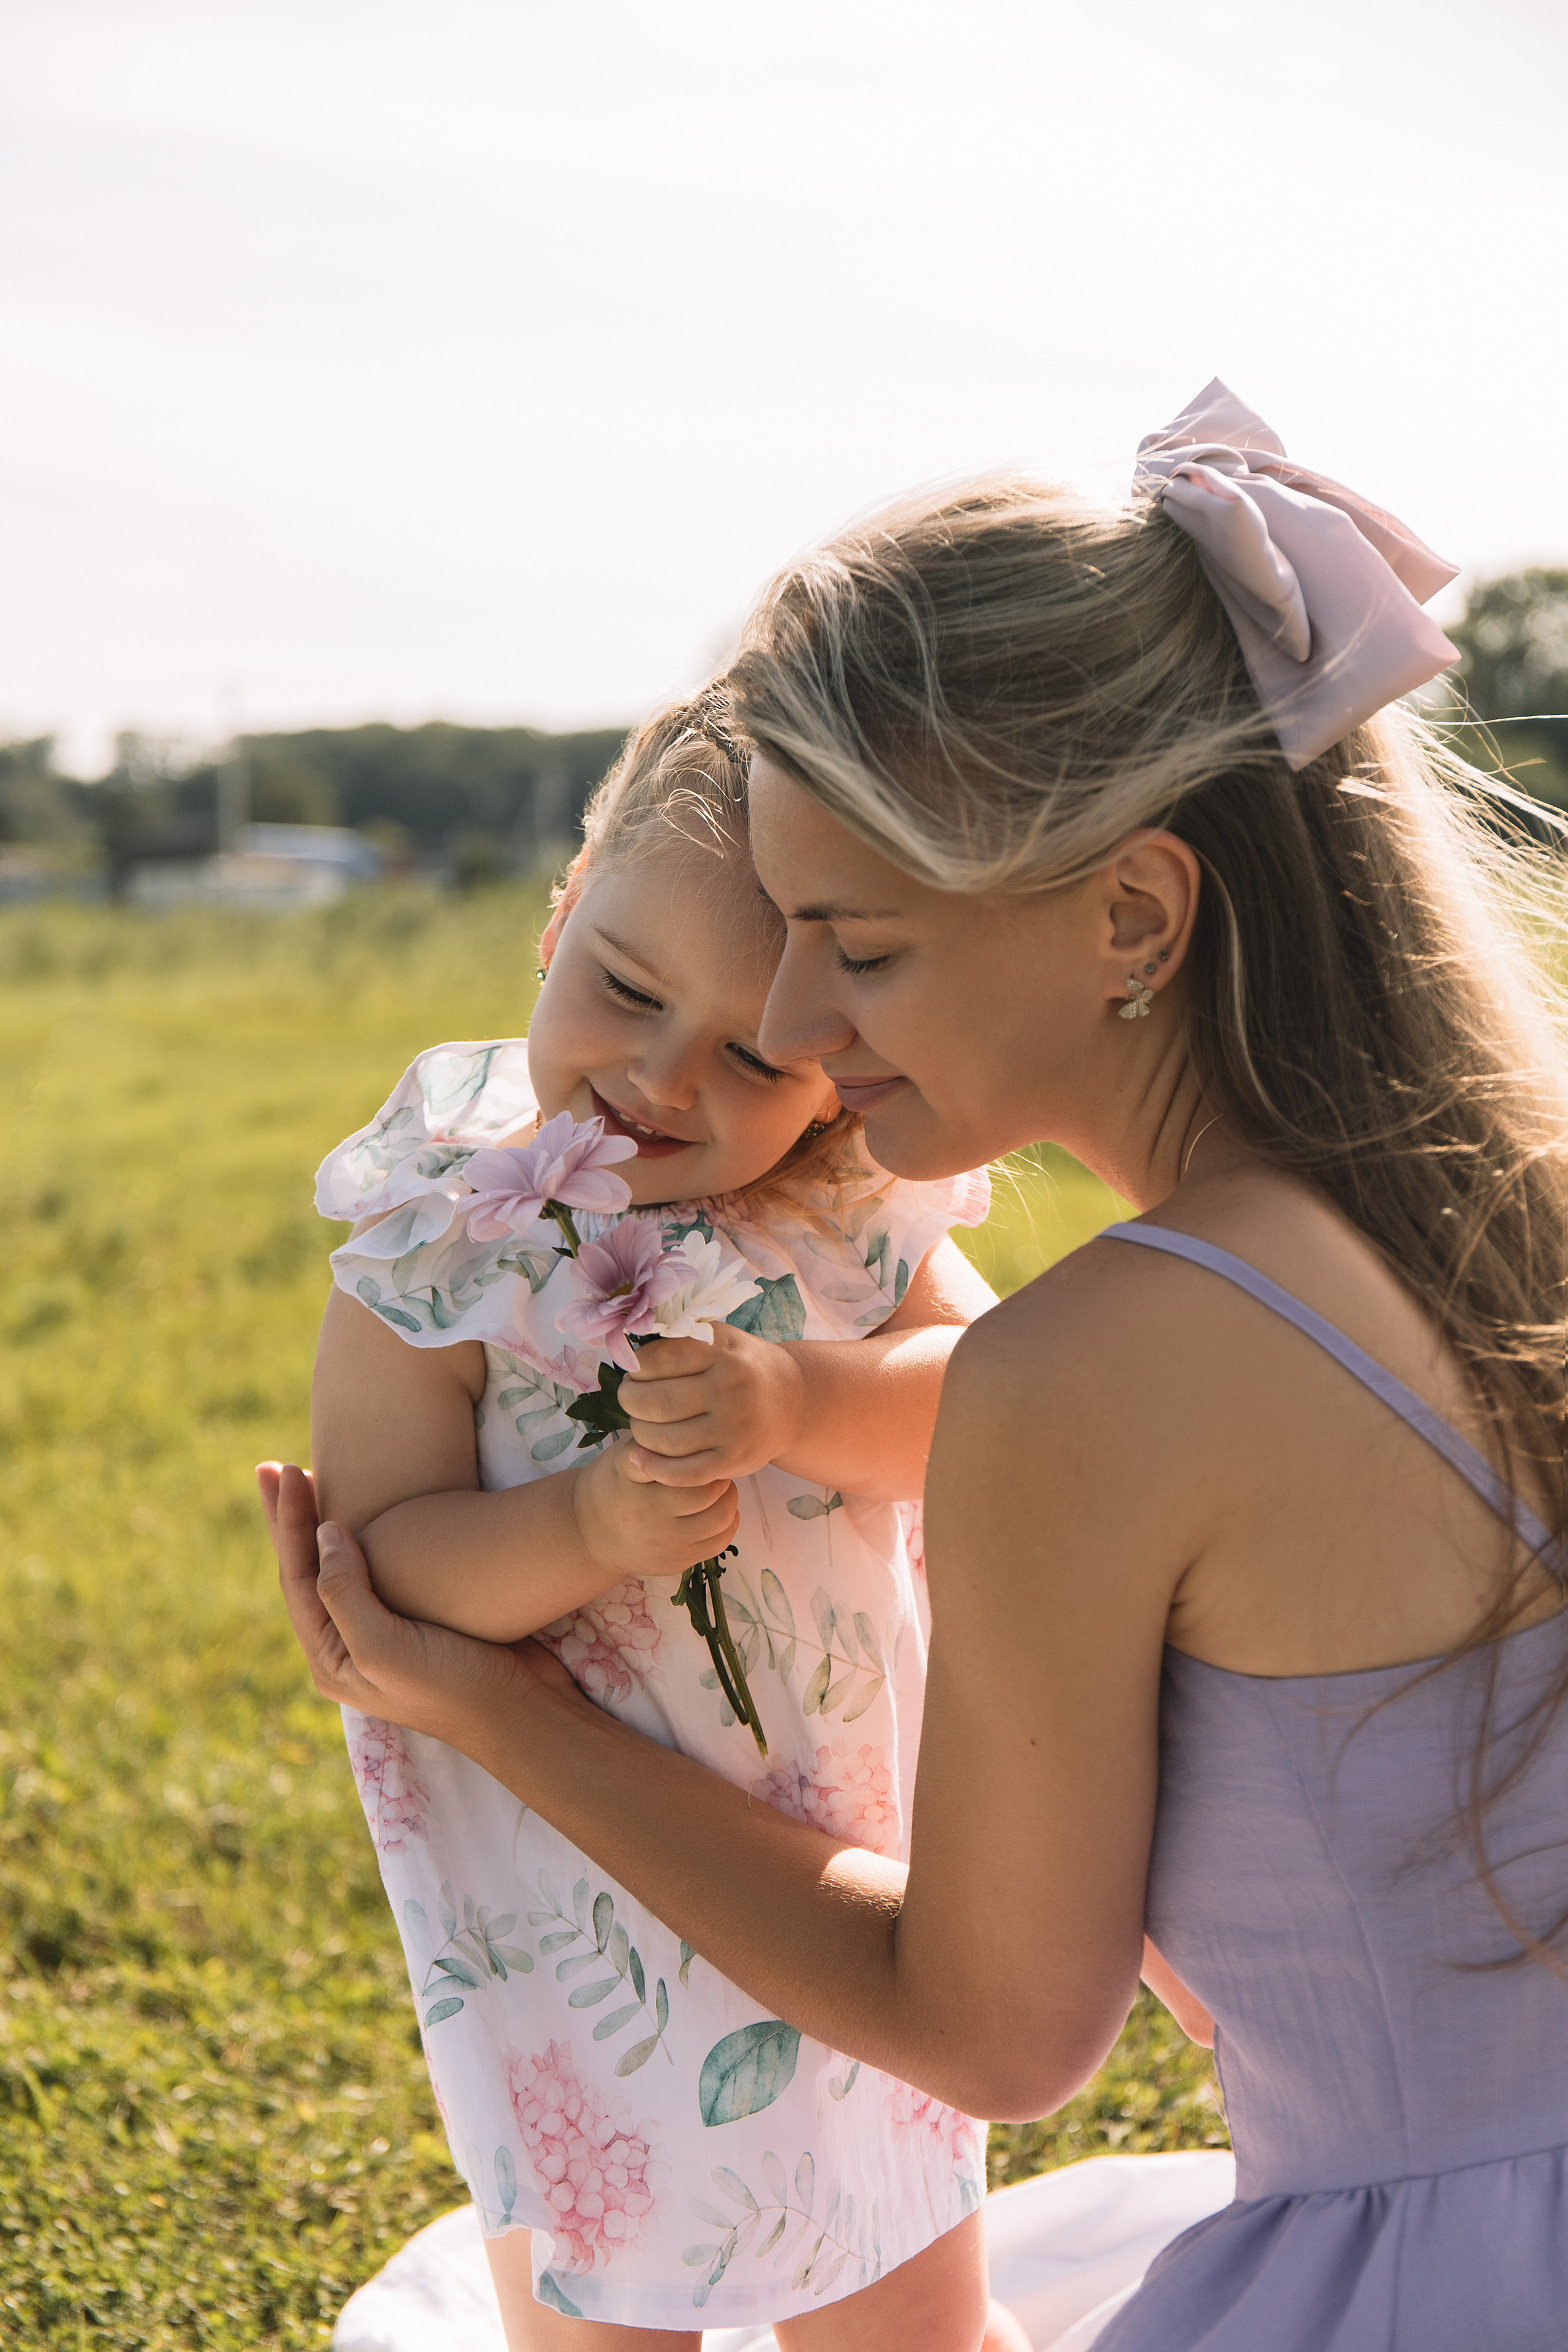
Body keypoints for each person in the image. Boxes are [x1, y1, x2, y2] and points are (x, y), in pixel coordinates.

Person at [267, 382, 1568, 2349]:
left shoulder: (1094, 1365)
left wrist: (487, 1705)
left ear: (1132, 913)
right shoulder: (1488, 1207)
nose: (789, 1022)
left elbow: (990, 2034)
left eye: (851, 946)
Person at [304, 688, 1023, 2351]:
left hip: (846, 1858)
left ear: (836, 1077)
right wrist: (589, 1531)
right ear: (560, 923)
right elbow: (384, 1560)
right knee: (601, 2286)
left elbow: (1002, 1411)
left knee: (893, 2280)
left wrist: (803, 1405)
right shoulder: (445, 1237)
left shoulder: (849, 1214)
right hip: (565, 1905)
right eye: (622, 986)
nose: (655, 1074)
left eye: (755, 1052)